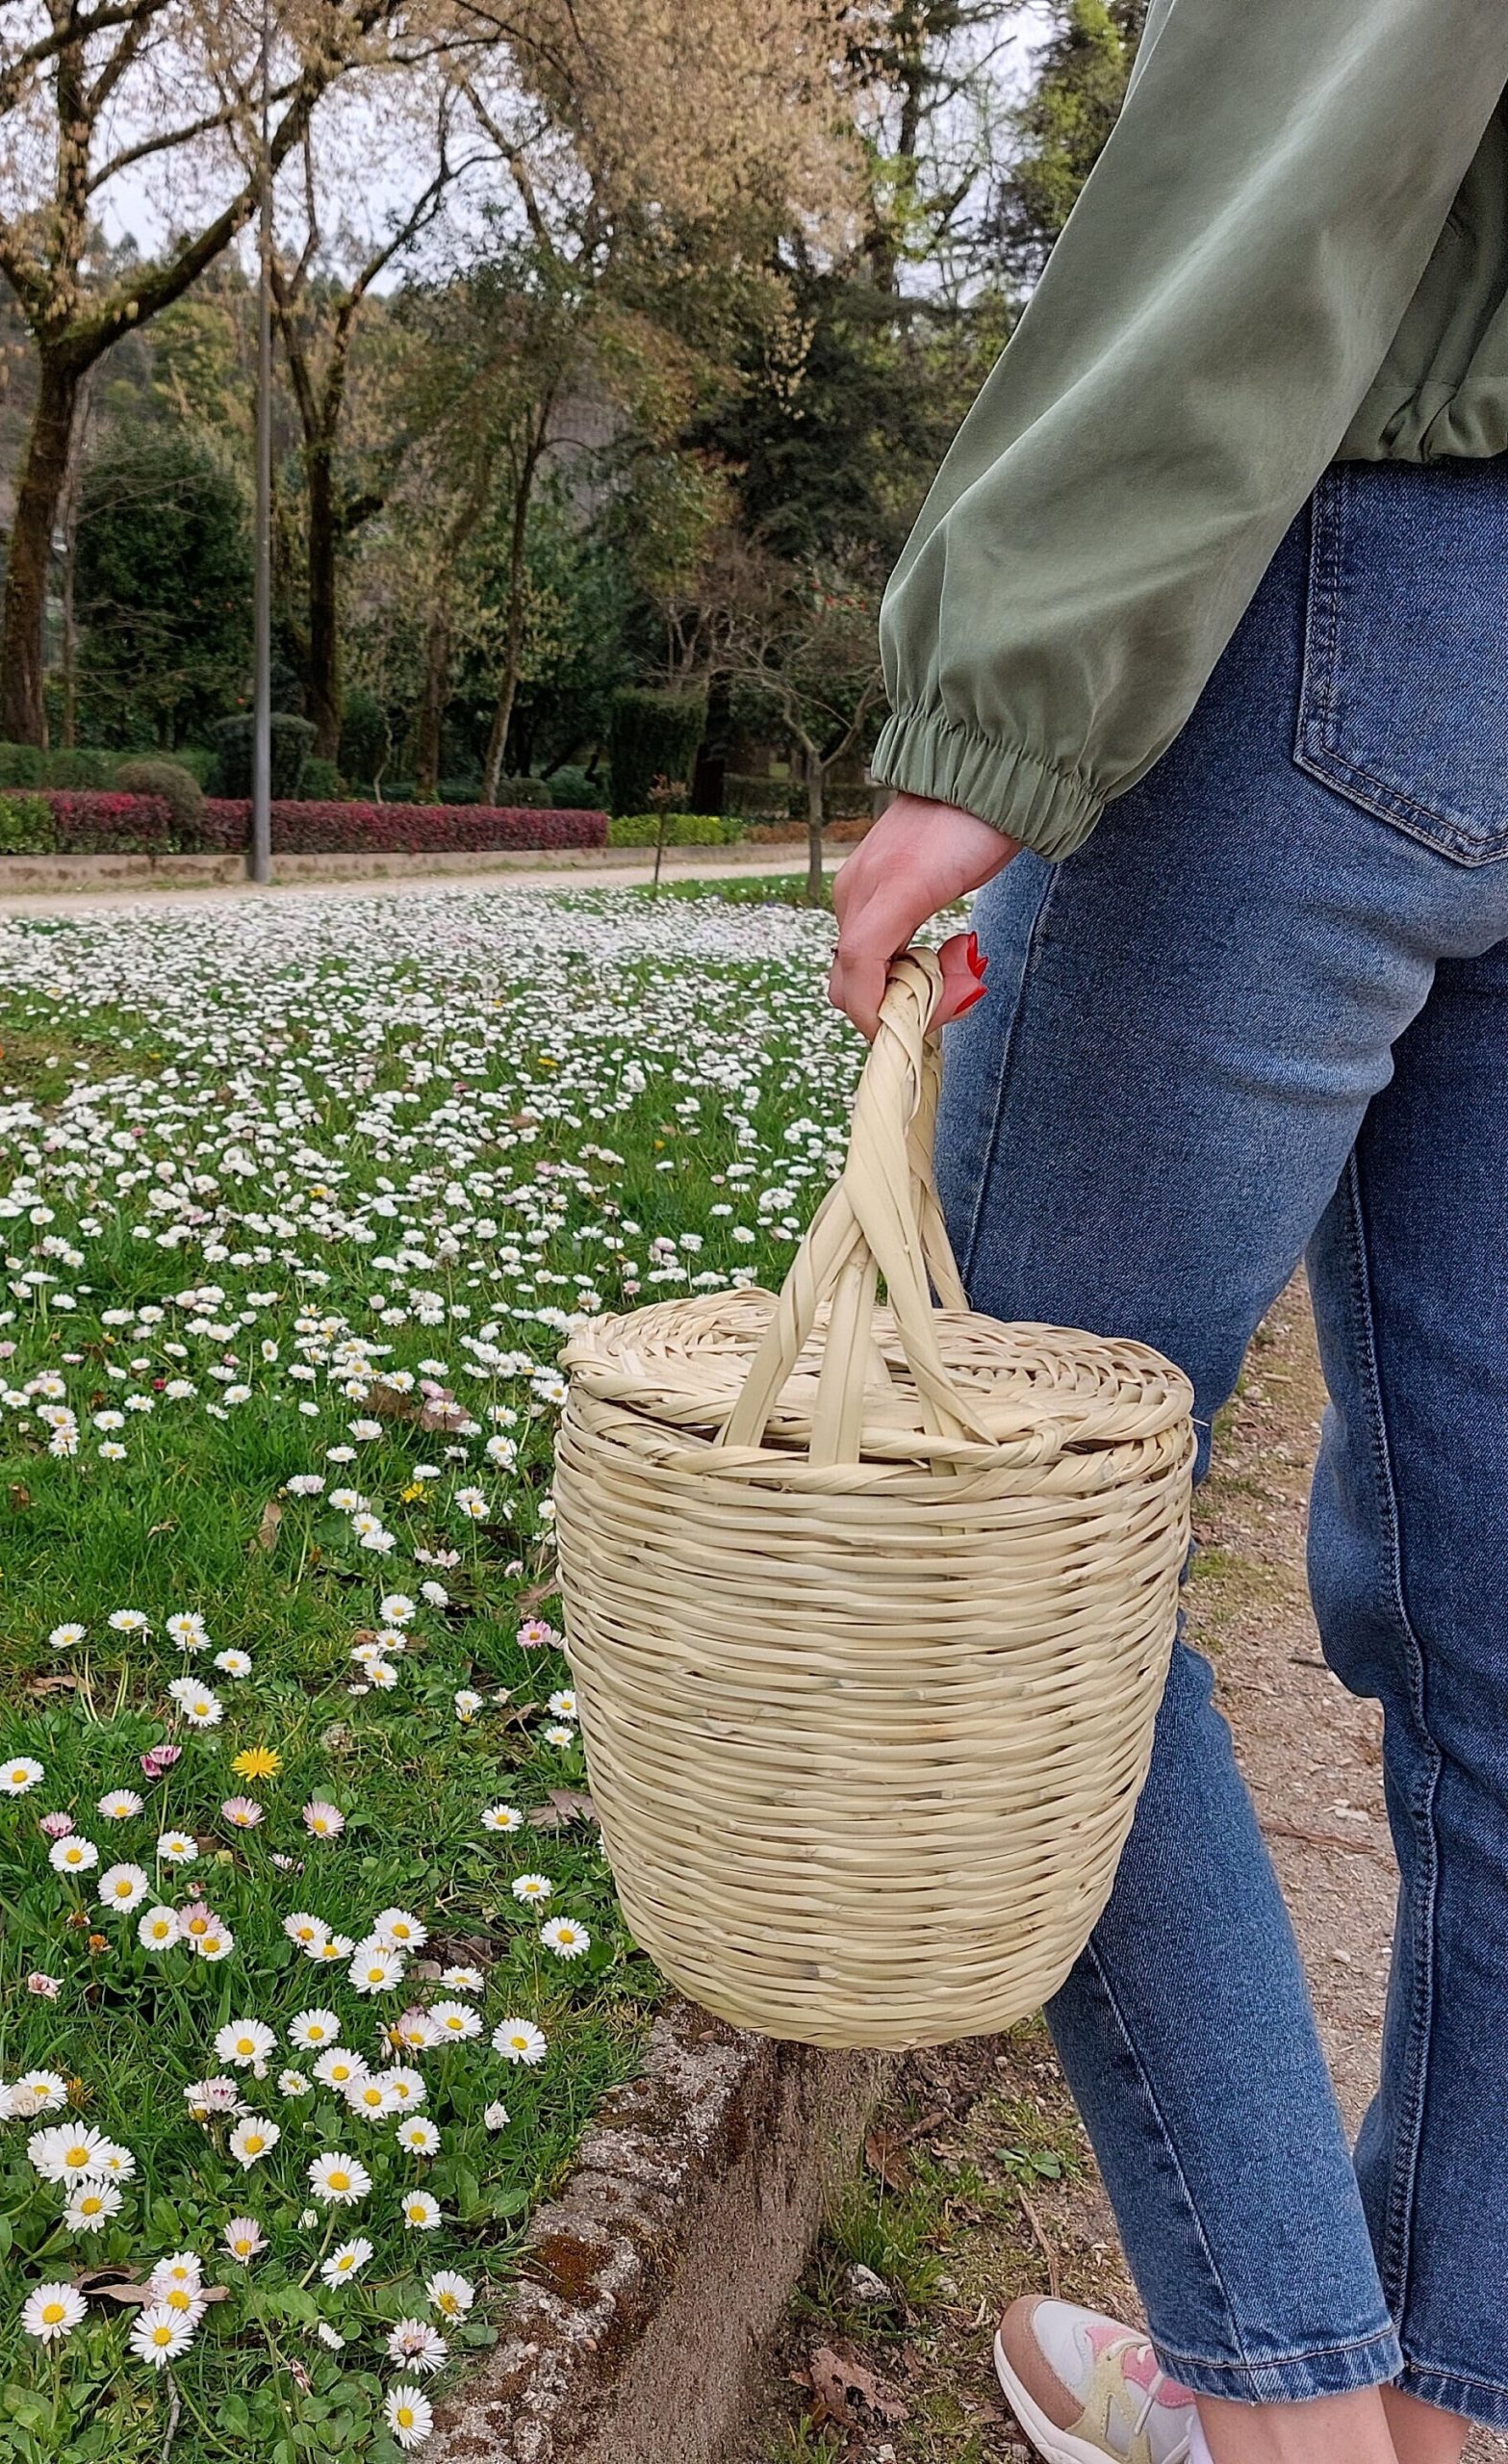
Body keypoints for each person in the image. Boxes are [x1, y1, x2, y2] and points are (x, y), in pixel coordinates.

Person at [824, 5, 1508, 2462]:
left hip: (1348, 605)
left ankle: (1283, 2422)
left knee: (1007, 1540)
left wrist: (1002, 693)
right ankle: (1430, 2420)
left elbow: (1315, 112)